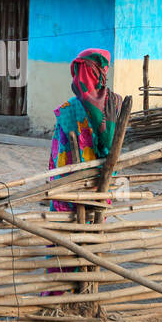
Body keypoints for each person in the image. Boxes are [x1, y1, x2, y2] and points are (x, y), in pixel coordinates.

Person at [48, 48, 123, 213]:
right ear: (101, 71)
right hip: (102, 177)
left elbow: (57, 154)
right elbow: (113, 143)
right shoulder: (115, 101)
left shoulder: (67, 108)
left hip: (72, 185)